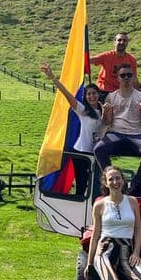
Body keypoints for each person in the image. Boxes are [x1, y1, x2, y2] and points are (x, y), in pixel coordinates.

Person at [40, 63, 105, 195]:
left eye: (94, 93)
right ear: (85, 97)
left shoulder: (105, 110)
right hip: (82, 152)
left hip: (97, 153)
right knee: (81, 183)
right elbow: (67, 94)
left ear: (98, 94)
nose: (92, 96)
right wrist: (53, 77)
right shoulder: (83, 110)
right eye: (89, 94)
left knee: (98, 184)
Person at [93, 65, 141, 169]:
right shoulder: (111, 97)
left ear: (133, 77)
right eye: (123, 75)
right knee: (98, 149)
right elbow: (107, 122)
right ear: (118, 78)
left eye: (129, 75)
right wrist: (105, 113)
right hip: (116, 132)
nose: (126, 78)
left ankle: (137, 183)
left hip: (137, 133)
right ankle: (110, 176)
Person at [89, 32, 138, 97]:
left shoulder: (131, 59)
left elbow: (134, 78)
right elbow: (91, 60)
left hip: (122, 93)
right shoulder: (107, 56)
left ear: (127, 43)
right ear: (114, 42)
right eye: (119, 40)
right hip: (104, 91)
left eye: (124, 40)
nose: (122, 42)